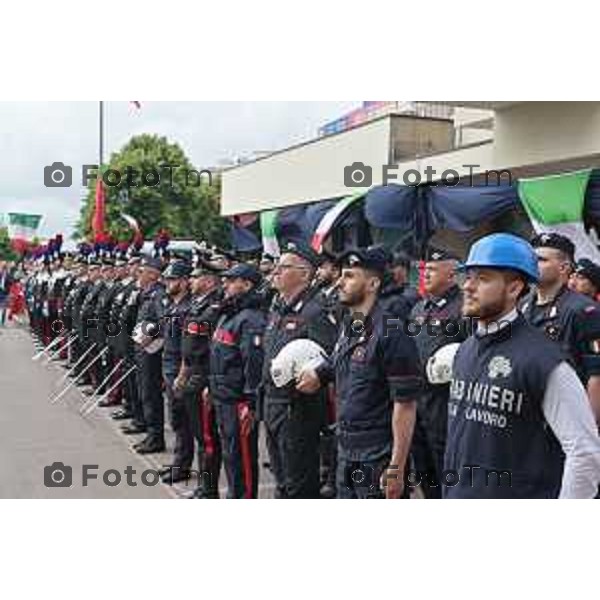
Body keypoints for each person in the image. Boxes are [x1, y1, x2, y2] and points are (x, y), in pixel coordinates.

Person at [445, 233, 600, 498]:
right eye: (468, 276)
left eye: (482, 278)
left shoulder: (544, 360)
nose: (468, 287)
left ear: (514, 288)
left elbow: (584, 452)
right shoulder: (467, 349)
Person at [297, 247, 424, 499]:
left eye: (350, 276)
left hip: (377, 456)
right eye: (342, 275)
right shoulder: (351, 324)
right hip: (346, 449)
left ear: (372, 283)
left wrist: (396, 467)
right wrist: (320, 374)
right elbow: (341, 361)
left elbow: (405, 405)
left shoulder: (391, 331)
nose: (340, 283)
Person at [262, 243, 338, 499]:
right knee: (281, 479)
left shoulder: (315, 310)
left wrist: (317, 375)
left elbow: (332, 355)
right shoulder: (277, 308)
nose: (275, 271)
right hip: (272, 403)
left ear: (305, 274)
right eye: (277, 266)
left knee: (299, 484)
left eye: (283, 267)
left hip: (298, 407)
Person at [522, 233, 600, 423]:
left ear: (563, 267)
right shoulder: (522, 307)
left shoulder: (583, 310)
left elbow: (596, 374)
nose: (532, 264)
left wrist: (589, 427)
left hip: (568, 416)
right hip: (530, 415)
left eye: (541, 260)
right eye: (531, 258)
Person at [409, 247, 467, 498]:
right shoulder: (418, 309)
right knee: (424, 469)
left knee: (448, 468)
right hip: (418, 401)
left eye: (432, 270)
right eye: (424, 270)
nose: (426, 275)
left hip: (446, 403)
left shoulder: (464, 308)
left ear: (452, 275)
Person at [207, 263, 266, 499]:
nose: (226, 284)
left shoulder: (250, 319)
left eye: (232, 281)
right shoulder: (229, 314)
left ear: (247, 285)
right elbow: (218, 356)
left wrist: (251, 403)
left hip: (238, 400)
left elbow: (253, 364)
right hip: (222, 395)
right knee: (230, 454)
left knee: (242, 457)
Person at [176, 263, 224, 498]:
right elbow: (189, 346)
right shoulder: (198, 305)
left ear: (208, 280)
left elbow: (212, 349)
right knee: (199, 435)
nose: (191, 281)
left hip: (204, 378)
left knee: (207, 438)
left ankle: (209, 489)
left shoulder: (214, 308)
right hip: (192, 373)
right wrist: (182, 373)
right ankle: (204, 486)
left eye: (195, 277)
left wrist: (208, 384)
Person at [159, 260, 195, 484]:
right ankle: (178, 462)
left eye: (172, 279)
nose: (167, 283)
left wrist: (182, 374)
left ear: (183, 282)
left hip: (180, 370)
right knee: (175, 419)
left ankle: (182, 466)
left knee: (183, 422)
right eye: (167, 279)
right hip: (168, 367)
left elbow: (188, 349)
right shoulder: (173, 307)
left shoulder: (187, 309)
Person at [131, 256, 166, 454]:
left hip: (151, 352)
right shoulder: (147, 294)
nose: (138, 275)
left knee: (151, 394)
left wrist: (148, 335)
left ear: (152, 275)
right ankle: (151, 435)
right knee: (144, 392)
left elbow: (164, 321)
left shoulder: (158, 295)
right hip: (142, 351)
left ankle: (155, 437)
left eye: (141, 271)